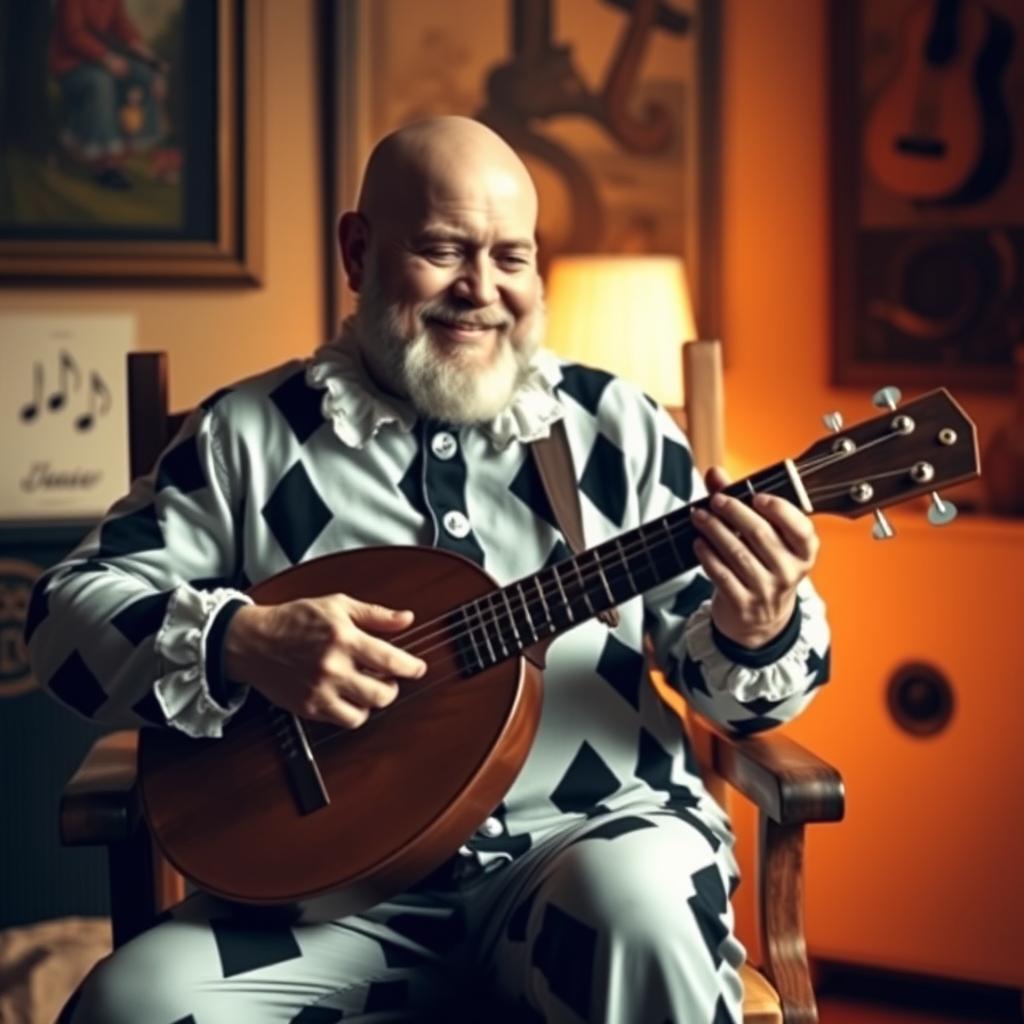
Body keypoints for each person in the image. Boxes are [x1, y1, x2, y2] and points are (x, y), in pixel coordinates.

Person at [29, 116, 830, 1023]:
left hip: (588, 849)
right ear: (358, 251)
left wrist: (758, 626)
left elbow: (743, 704)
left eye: (511, 258)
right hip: (326, 901)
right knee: (135, 1002)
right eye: (444, 250)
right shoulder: (245, 436)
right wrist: (240, 642)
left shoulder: (619, 428)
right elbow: (61, 620)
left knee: (643, 908)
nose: (480, 291)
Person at [49, 0, 168, 190]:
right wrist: (106, 57)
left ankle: (121, 152)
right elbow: (73, 35)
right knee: (101, 82)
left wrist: (149, 59)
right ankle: (105, 166)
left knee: (144, 77)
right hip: (70, 65)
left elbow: (121, 25)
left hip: (101, 62)